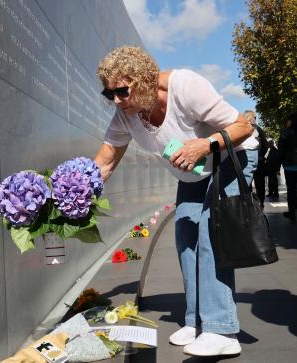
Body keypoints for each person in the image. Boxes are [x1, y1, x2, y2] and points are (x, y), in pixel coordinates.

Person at [94, 46, 258, 357]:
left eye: (122, 91)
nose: (116, 100)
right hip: (193, 176)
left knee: (212, 231)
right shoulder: (125, 115)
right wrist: (70, 192)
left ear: (144, 81)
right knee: (186, 239)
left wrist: (204, 145)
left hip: (233, 157)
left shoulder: (185, 87)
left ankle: (221, 330)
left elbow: (243, 127)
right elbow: (104, 163)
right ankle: (196, 321)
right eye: (109, 93)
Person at [243, 110, 269, 208]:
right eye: (254, 117)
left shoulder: (241, 129)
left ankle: (250, 205)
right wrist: (261, 155)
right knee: (259, 184)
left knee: (247, 184)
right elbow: (265, 145)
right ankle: (259, 204)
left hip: (246, 161)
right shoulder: (258, 129)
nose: (255, 119)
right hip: (258, 161)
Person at [278, 113, 297, 221]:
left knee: (291, 190)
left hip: (289, 166)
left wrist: (277, 165)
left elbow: (281, 152)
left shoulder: (285, 133)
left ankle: (292, 214)